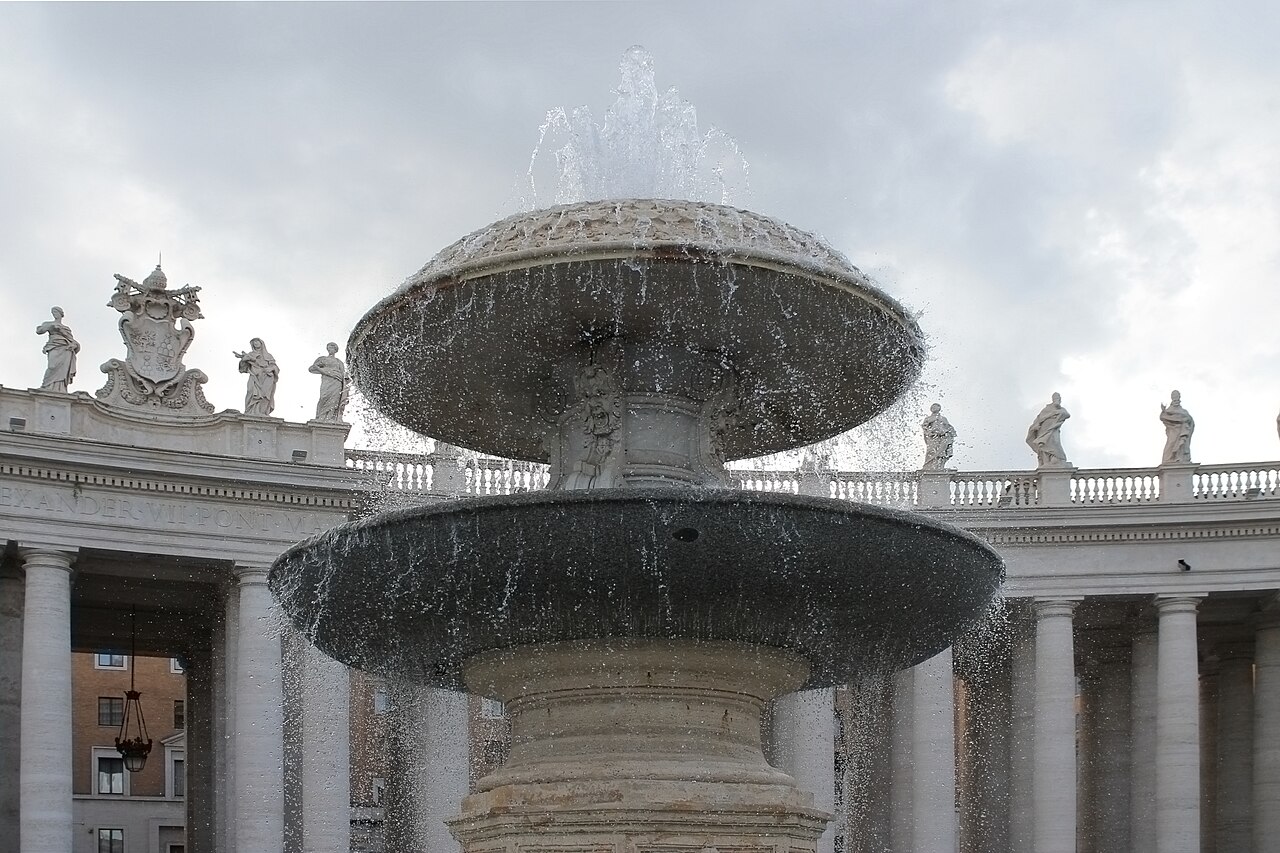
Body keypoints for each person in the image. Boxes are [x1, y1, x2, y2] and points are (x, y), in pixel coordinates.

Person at [36, 306, 80, 392]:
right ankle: (46, 386)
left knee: (62, 370)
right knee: (52, 366)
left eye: (56, 312)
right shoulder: (49, 323)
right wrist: (50, 327)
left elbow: (72, 340)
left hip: (65, 349)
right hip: (54, 346)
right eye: (53, 313)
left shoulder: (66, 328)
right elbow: (39, 331)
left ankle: (60, 389)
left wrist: (74, 345)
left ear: (61, 314)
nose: (54, 314)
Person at [235, 338, 279, 417]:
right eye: (254, 342)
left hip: (267, 376)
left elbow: (275, 367)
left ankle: (263, 413)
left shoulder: (268, 356)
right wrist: (243, 360)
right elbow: (243, 369)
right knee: (251, 391)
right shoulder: (250, 354)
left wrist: (271, 368)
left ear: (261, 343)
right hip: (254, 376)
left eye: (257, 341)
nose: (256, 343)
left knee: (265, 395)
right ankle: (250, 412)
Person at [1026, 392, 1071, 468]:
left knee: (1054, 443)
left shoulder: (1061, 409)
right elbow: (1039, 419)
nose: (1057, 400)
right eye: (1055, 398)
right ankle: (1047, 461)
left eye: (1058, 398)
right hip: (1043, 430)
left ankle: (1056, 460)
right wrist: (1036, 426)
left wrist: (1058, 410)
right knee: (1044, 444)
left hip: (1053, 430)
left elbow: (1067, 415)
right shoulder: (1047, 409)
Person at [309, 342, 350, 422]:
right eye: (329, 348)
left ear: (335, 350)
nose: (331, 350)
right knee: (324, 397)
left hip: (337, 381)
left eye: (333, 348)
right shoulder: (323, 359)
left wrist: (346, 382)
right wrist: (324, 371)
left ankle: (331, 418)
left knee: (334, 399)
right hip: (327, 381)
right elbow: (311, 368)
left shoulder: (339, 362)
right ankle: (321, 417)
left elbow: (343, 373)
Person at [1160, 390, 1194, 464]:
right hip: (1173, 431)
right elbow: (1163, 417)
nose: (1176, 397)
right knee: (1171, 443)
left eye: (1177, 395)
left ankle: (1180, 458)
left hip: (1182, 430)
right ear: (1172, 397)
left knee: (1182, 445)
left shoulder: (1183, 410)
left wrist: (1185, 420)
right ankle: (1170, 459)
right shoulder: (1169, 410)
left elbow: (1189, 419)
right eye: (1174, 396)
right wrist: (1163, 412)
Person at [921, 403, 956, 470]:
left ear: (939, 408)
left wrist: (947, 434)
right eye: (932, 407)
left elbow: (949, 428)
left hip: (942, 437)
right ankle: (929, 467)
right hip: (932, 437)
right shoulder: (928, 418)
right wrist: (930, 432)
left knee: (941, 452)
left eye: (935, 406)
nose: (933, 408)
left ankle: (939, 466)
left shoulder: (943, 418)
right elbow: (924, 427)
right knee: (931, 451)